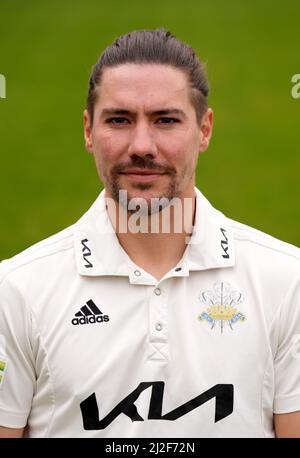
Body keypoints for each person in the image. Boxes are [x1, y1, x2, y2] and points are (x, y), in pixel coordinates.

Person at [0, 28, 300, 439]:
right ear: (88, 130)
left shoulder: (287, 282)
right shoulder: (17, 290)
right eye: (119, 120)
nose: (142, 145)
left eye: (166, 120)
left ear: (205, 129)